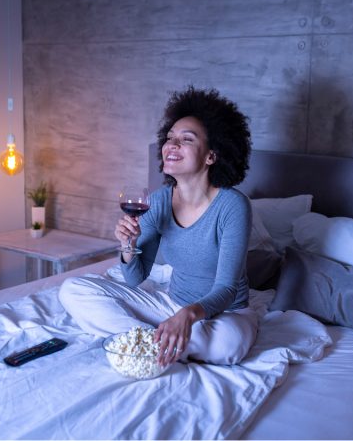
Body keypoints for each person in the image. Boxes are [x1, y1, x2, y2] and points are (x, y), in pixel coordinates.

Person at [59, 86, 256, 366]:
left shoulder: (233, 206)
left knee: (226, 347)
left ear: (211, 156)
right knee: (73, 290)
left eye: (185, 139)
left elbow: (226, 288)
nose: (171, 145)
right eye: (169, 137)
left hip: (224, 314)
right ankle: (160, 340)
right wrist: (128, 246)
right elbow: (135, 278)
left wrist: (187, 316)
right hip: (170, 305)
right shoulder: (158, 201)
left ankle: (149, 340)